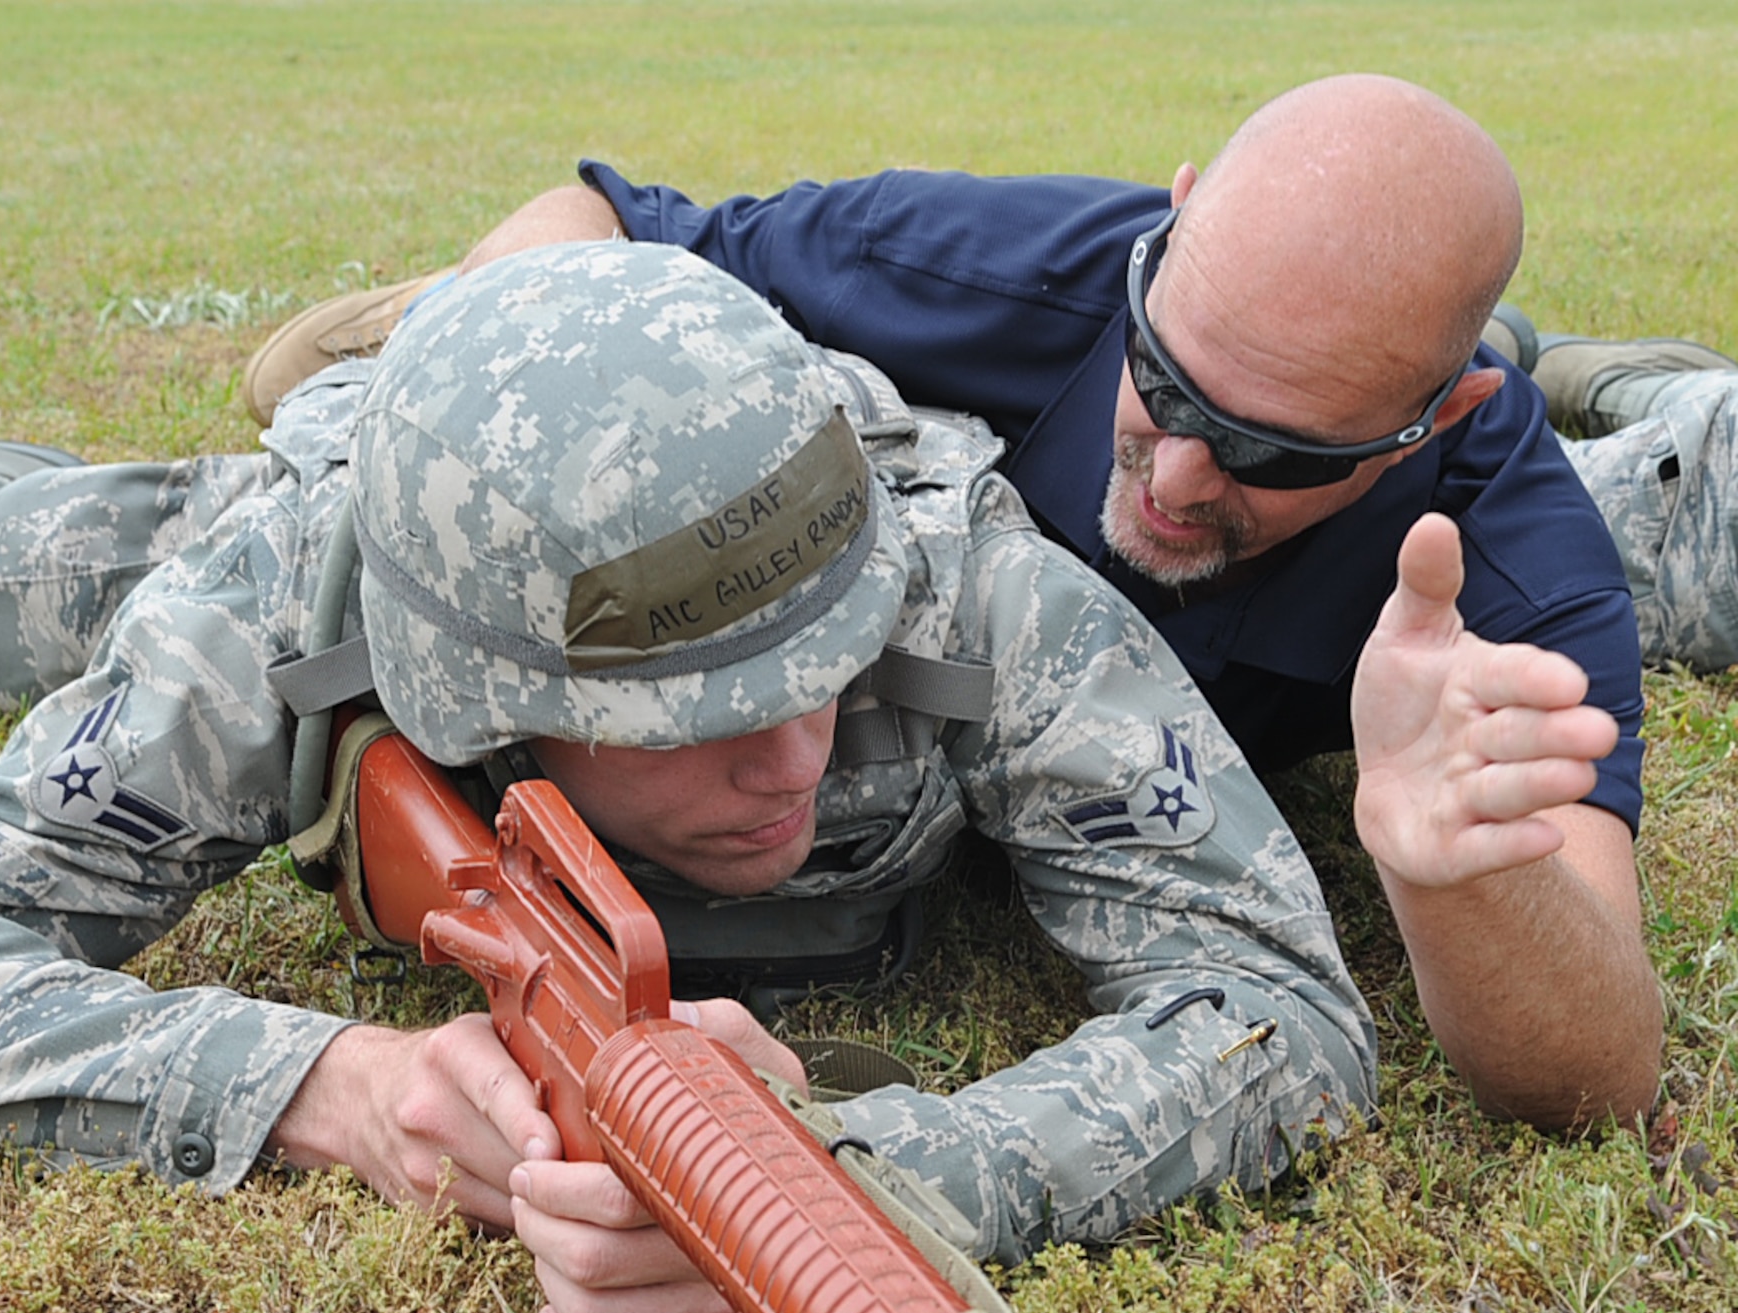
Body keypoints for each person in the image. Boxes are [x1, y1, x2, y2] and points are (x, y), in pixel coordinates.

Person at [0, 241, 1376, 1313]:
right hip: (321, 492)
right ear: (477, 705)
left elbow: (1280, 1008)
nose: (798, 754)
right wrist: (336, 1086)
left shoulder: (972, 584)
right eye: (707, 715)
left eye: (836, 664)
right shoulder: (278, 612)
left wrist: (883, 1171)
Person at [242, 73, 1687, 1134]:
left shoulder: (1509, 573)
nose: (1179, 470)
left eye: (1272, 450)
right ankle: (399, 325)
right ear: (1171, 228)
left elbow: (1602, 1072)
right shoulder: (1004, 268)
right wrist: (453, 409)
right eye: (1164, 379)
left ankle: (1620, 386)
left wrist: (1464, 875)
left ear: (1439, 418)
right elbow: (600, 218)